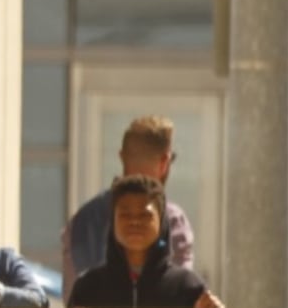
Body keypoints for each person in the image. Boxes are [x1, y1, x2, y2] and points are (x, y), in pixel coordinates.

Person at [63, 115, 195, 289]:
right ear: (164, 162)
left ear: (121, 157)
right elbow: (182, 292)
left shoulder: (84, 219)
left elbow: (73, 296)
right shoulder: (172, 220)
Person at [68, 175, 224, 308]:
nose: (134, 222)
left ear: (161, 222)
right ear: (112, 222)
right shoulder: (88, 289)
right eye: (125, 214)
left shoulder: (187, 287)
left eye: (145, 215)